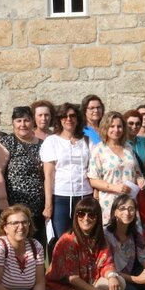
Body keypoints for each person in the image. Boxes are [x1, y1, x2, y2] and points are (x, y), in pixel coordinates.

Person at [44, 198, 119, 290]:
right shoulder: (67, 241)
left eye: (91, 215)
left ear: (98, 218)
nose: (86, 218)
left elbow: (107, 263)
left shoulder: (99, 239)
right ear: (76, 216)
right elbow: (72, 279)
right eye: (81, 214)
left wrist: (112, 276)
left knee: (119, 282)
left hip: (90, 284)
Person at [0, 106, 46, 245]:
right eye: (18, 121)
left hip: (39, 207)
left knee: (37, 245)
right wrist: (2, 199)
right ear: (13, 123)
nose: (23, 125)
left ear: (33, 122)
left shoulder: (43, 145)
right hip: (14, 206)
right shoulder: (7, 143)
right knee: (14, 244)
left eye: (27, 120)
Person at [41, 102, 93, 241]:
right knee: (61, 240)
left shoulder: (87, 140)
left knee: (85, 239)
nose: (68, 119)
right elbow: (49, 175)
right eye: (64, 116)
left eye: (72, 116)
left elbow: (94, 169)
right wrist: (48, 205)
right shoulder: (51, 141)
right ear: (59, 119)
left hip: (85, 195)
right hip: (61, 197)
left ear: (78, 118)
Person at [87, 111, 145, 224]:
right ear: (105, 128)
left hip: (130, 203)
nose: (116, 129)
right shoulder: (98, 150)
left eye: (119, 126)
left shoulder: (128, 147)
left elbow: (137, 172)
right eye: (112, 126)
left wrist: (140, 180)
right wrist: (114, 187)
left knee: (131, 237)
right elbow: (93, 180)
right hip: (110, 203)